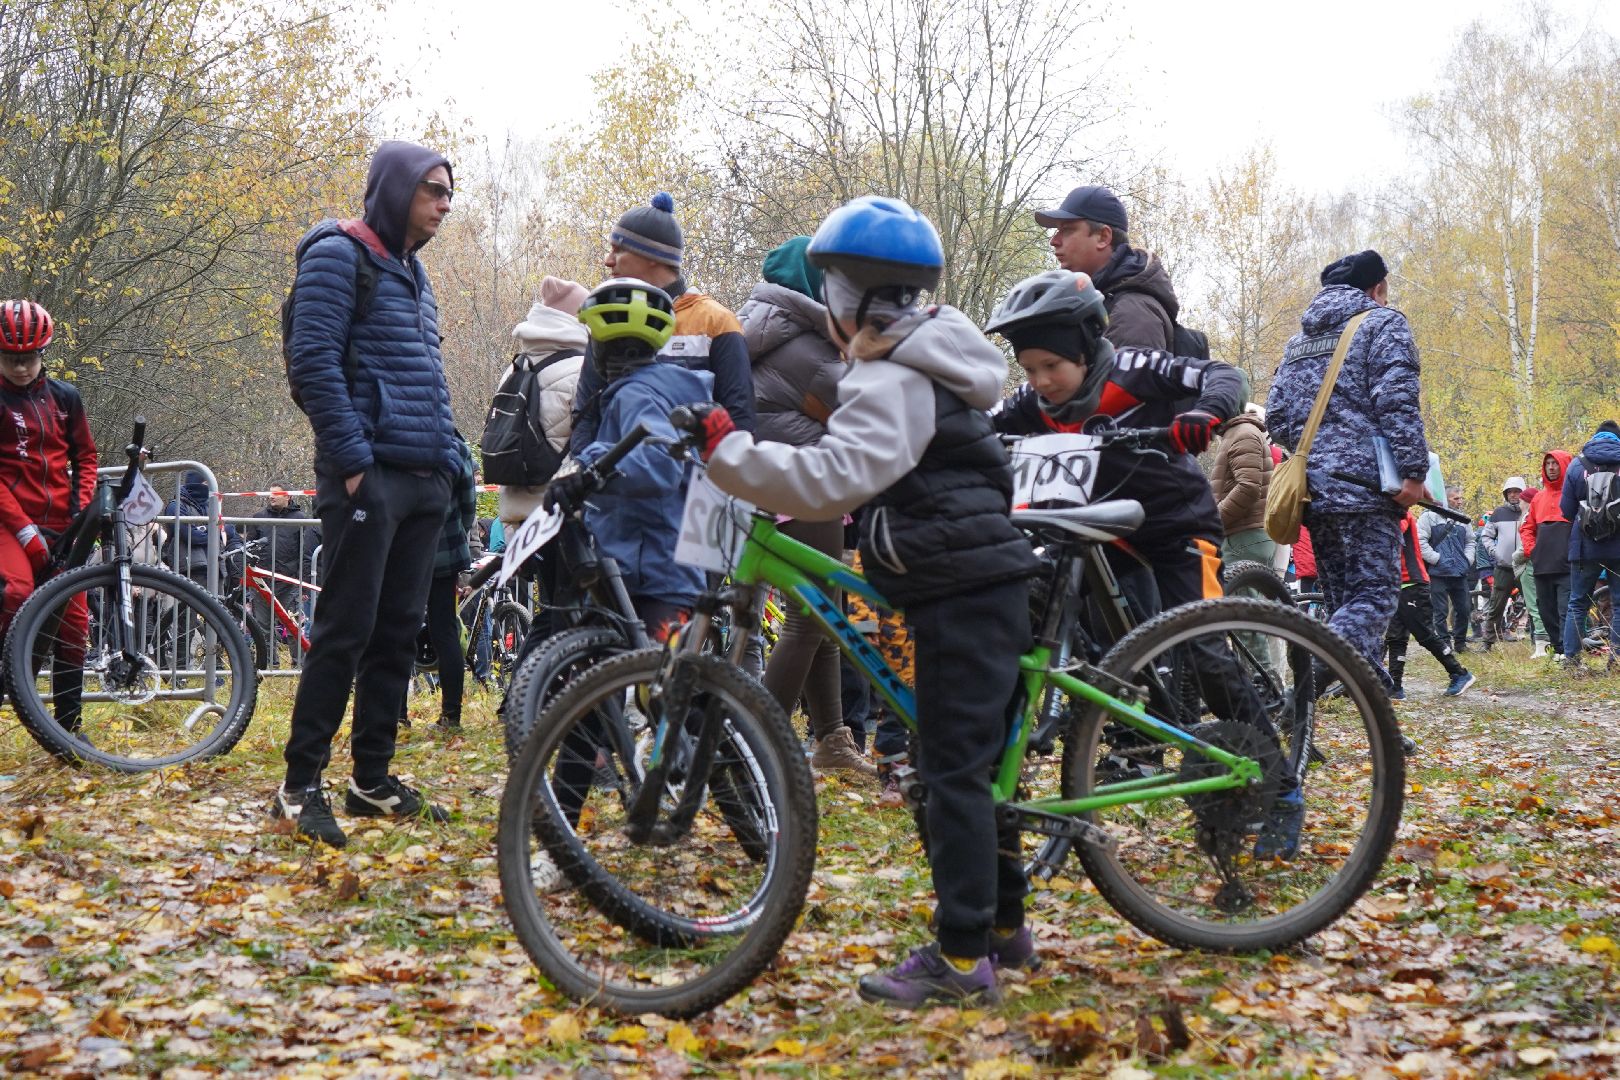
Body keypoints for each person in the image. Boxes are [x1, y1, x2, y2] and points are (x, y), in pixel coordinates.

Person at [693, 196, 1039, 1007]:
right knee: (975, 767)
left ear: (851, 295)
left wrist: (730, 453)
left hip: (960, 586)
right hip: (969, 580)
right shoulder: (925, 359)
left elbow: (834, 476)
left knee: (950, 771)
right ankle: (1002, 930)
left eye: (831, 290)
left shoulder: (894, 376)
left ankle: (962, 961)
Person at [273, 140, 459, 847]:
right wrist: (353, 464)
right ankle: (298, 788)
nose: (445, 203)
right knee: (345, 630)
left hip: (423, 481)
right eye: (433, 190)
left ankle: (370, 782)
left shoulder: (416, 273)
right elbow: (311, 363)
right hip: (368, 478)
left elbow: (424, 378)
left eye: (449, 192)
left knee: (398, 634)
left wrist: (448, 464)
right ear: (396, 189)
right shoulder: (335, 254)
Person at [738, 236, 872, 778]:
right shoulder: (810, 350)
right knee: (808, 621)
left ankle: (833, 740)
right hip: (808, 483)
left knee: (822, 614)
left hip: (777, 481)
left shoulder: (764, 331)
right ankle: (756, 744)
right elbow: (866, 409)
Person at [1266, 250, 1429, 690]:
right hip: (1367, 489)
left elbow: (1277, 419)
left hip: (1313, 491)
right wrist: (1413, 472)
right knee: (1373, 600)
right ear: (1377, 288)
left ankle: (1383, 728)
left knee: (1346, 608)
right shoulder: (1383, 323)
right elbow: (1397, 402)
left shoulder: (1298, 343)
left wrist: (1318, 451)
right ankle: (1300, 690)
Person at [544, 279, 711, 643]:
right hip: (663, 571)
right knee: (656, 690)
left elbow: (658, 461)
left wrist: (588, 466)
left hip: (648, 575)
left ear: (601, 347)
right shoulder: (661, 390)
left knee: (649, 691)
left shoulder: (635, 394)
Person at [569, 193, 754, 454]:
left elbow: (739, 422)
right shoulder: (608, 317)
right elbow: (585, 413)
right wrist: (583, 473)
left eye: (618, 249)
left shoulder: (716, 321)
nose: (608, 261)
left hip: (691, 487)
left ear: (652, 255)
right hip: (613, 487)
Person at [0, 301, 98, 731]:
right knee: (19, 592)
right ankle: (11, 679)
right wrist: (23, 531)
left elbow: (86, 457)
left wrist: (81, 514)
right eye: (10, 359)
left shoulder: (65, 397)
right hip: (8, 520)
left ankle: (69, 729)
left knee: (75, 622)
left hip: (61, 524)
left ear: (43, 353)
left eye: (29, 358)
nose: (20, 367)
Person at [1034, 184, 1179, 351]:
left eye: (1067, 230)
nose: (1054, 241)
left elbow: (1128, 378)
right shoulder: (1101, 302)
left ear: (1103, 237)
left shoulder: (1131, 314)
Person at [1387, 509, 1474, 699]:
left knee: (1424, 633)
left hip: (1412, 581)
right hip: (1395, 583)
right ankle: (1395, 686)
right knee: (1395, 637)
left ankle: (1459, 673)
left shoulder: (1400, 513)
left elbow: (1389, 535)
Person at [423, 438, 477, 730]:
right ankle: (451, 715)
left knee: (398, 630)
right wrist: (458, 534)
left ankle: (398, 715)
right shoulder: (456, 445)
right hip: (445, 552)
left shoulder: (397, 437)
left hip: (405, 551)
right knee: (445, 631)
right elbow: (469, 504)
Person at [1559, 421, 1620, 672]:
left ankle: (1572, 661)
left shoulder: (1577, 464)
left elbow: (1566, 510)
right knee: (1619, 603)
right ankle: (1616, 662)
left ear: (1595, 438)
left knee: (1577, 602)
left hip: (1584, 546)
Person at [1520, 451, 1573, 659]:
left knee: (1565, 609)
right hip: (1542, 564)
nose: (1551, 467)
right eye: (1548, 463)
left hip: (1567, 564)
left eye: (1556, 463)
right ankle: (1557, 649)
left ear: (1565, 465)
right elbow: (1526, 528)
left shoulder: (1574, 497)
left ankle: (1568, 650)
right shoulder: (1538, 499)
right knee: (1546, 610)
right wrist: (1532, 550)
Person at [1211, 403, 1275, 567]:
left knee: (1237, 593)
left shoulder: (1243, 433)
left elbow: (1248, 488)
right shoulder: (1237, 432)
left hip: (1244, 537)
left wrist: (1214, 519)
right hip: (1243, 536)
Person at [247, 487, 319, 631]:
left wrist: (302, 584)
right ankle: (265, 655)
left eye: (276, 493)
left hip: (289, 584)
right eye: (270, 493)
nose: (271, 496)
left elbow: (304, 552)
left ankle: (296, 655)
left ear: (288, 496)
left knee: (294, 629)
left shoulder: (301, 519)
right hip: (262, 582)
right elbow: (249, 546)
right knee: (263, 630)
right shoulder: (258, 517)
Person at [1417, 486, 1474, 653]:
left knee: (1463, 609)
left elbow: (1471, 541)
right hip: (1438, 573)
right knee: (1440, 611)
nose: (1460, 501)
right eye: (1456, 499)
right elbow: (1420, 542)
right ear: (1445, 499)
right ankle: (1444, 644)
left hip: (1459, 572)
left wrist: (1467, 560)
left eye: (1461, 498)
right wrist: (1437, 559)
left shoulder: (1463, 519)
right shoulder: (1428, 517)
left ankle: (1461, 643)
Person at [162, 470, 243, 585]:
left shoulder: (210, 506)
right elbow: (190, 536)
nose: (210, 488)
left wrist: (212, 531)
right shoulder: (176, 506)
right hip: (191, 568)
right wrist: (218, 533)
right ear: (197, 484)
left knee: (217, 602)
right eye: (206, 483)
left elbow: (229, 530)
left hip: (216, 567)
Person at [1480, 477, 1527, 649]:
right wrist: (1495, 552)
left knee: (1534, 603)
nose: (1514, 495)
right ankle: (1487, 642)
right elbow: (1486, 536)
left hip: (1524, 566)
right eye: (1510, 492)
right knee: (1496, 604)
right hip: (1503, 567)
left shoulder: (1529, 510)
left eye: (1517, 491)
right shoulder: (1498, 513)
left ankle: (1540, 640)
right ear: (1506, 494)